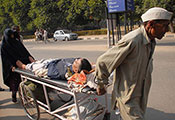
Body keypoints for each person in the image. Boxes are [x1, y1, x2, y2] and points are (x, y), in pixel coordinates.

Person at [95, 7, 173, 120]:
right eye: (164, 26)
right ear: (151, 24)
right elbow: (103, 62)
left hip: (140, 98)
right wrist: (101, 85)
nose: (166, 30)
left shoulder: (151, 41)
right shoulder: (133, 40)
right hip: (127, 100)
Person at [1, 28, 35, 103]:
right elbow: (5, 58)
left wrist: (31, 58)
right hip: (13, 66)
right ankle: (14, 95)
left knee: (25, 81)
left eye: (13, 35)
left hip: (22, 64)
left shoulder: (16, 42)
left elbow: (25, 52)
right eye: (10, 35)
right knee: (15, 83)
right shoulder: (4, 45)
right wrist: (11, 66)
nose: (12, 37)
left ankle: (25, 95)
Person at [16, 57, 92, 80]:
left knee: (35, 66)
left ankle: (24, 66)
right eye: (77, 59)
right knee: (41, 61)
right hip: (53, 62)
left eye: (76, 62)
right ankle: (35, 62)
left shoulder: (66, 73)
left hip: (47, 68)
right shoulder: (76, 63)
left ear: (76, 70)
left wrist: (50, 64)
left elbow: (51, 73)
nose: (75, 60)